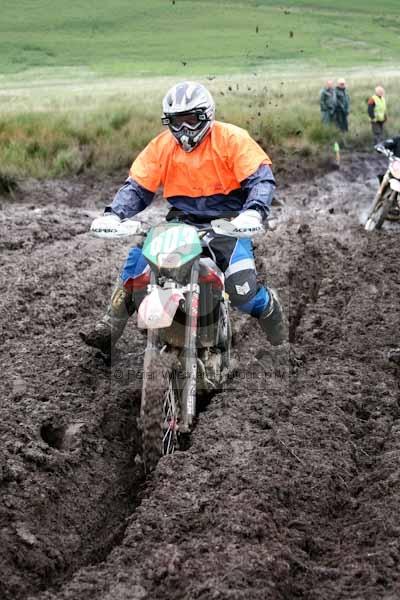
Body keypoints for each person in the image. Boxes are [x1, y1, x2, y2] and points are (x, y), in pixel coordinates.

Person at [80, 81, 287, 355]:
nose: (184, 129)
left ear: (206, 115)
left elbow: (260, 179)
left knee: (243, 294)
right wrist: (113, 214)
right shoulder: (162, 146)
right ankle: (110, 325)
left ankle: (274, 320)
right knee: (141, 260)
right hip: (182, 221)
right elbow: (137, 187)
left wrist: (253, 211)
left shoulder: (232, 139)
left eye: (191, 119)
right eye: (177, 122)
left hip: (229, 222)